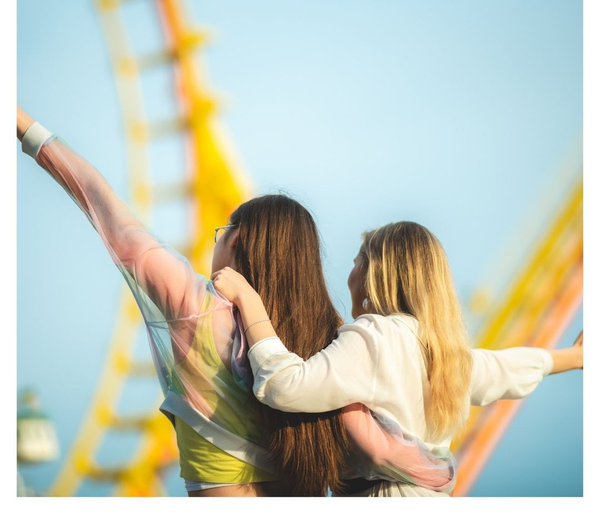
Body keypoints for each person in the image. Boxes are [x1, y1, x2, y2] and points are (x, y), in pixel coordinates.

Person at [17, 107, 458, 497]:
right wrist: (441, 473)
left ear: (240, 239)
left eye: (222, 232)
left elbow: (98, 200)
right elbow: (376, 443)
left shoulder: (192, 305)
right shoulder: (326, 333)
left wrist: (22, 126)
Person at [212, 221, 584, 497]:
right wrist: (575, 356)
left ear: (374, 273)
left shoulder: (376, 336)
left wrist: (249, 300)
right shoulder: (444, 350)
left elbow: (285, 386)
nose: (350, 272)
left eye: (357, 261)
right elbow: (506, 369)